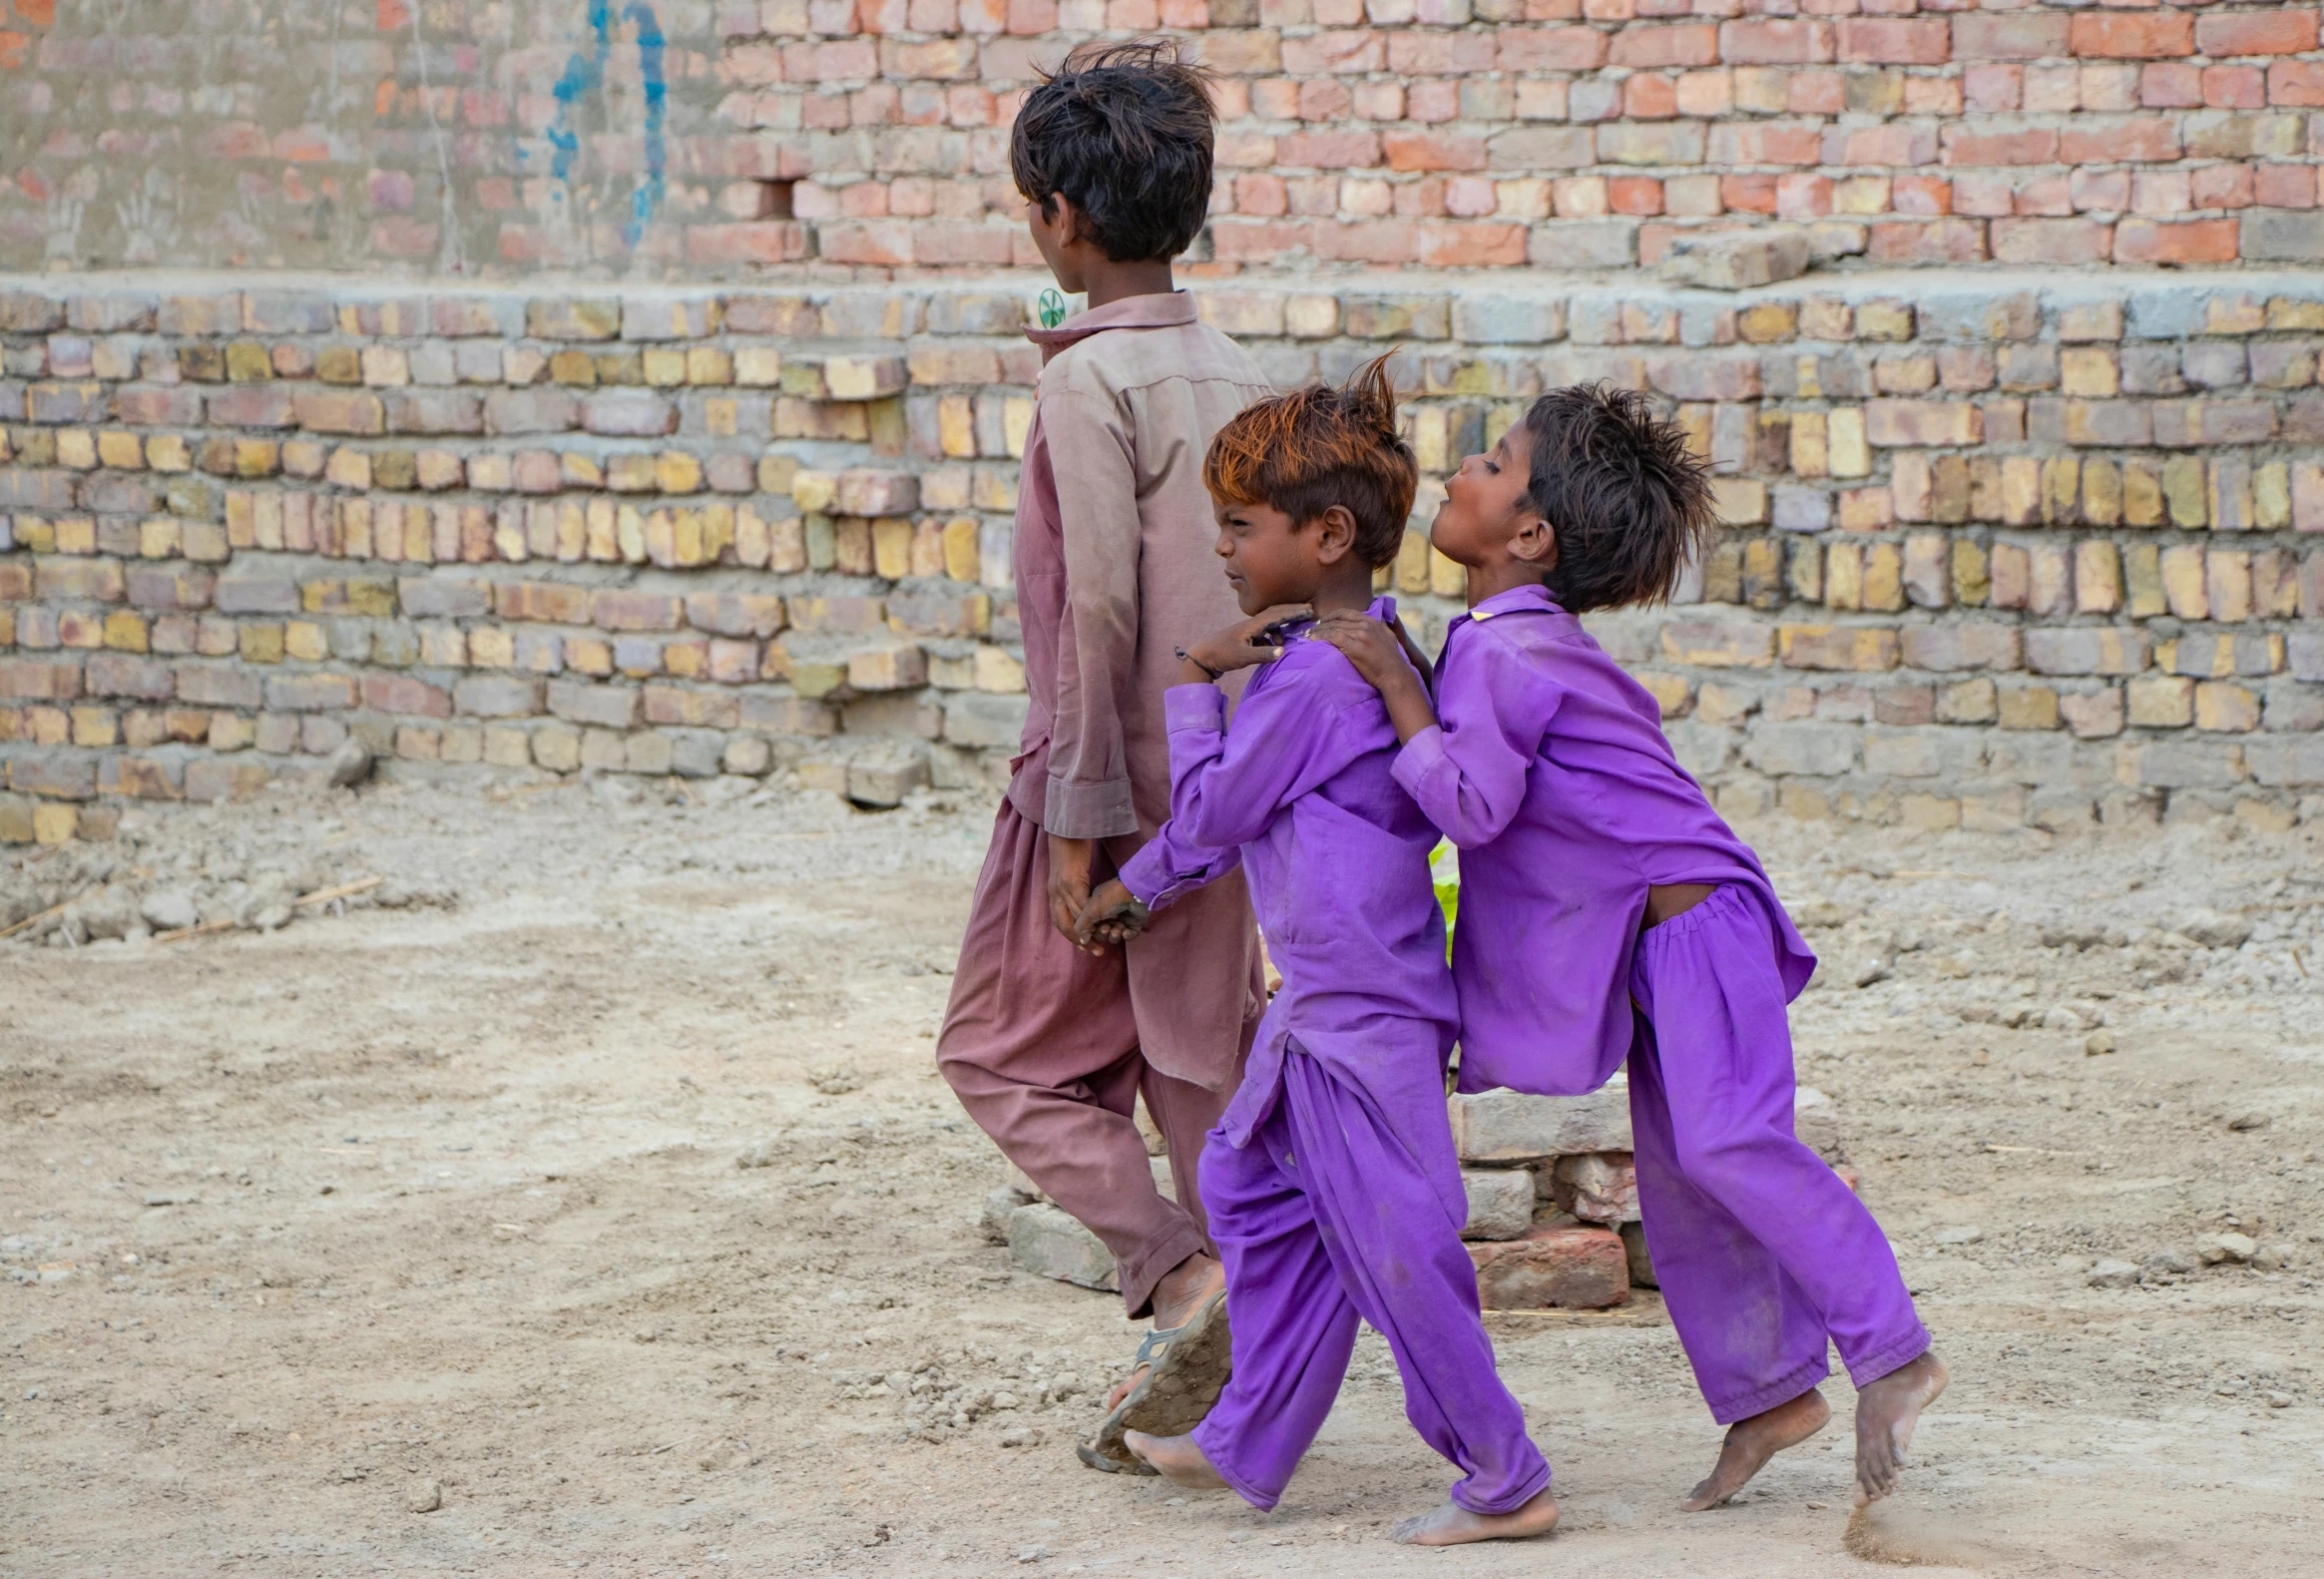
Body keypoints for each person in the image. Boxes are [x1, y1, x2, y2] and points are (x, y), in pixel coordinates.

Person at [1313, 384, 1949, 1514]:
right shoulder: (1495, 638)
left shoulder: (1512, 656)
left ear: (1527, 535)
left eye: (1494, 459)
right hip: (1648, 945)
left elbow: (1470, 806)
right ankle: (1766, 1395)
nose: (1462, 463)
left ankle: (1891, 1348)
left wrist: (1397, 695)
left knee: (1731, 1145)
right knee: (1682, 1171)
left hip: (1700, 930)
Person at [1075, 360, 1560, 1548]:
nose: (1226, 550)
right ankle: (1250, 1434)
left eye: (1239, 526)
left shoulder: (1308, 681)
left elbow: (1210, 818)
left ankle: (1505, 1473)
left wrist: (1194, 678)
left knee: (1399, 1249)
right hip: (1332, 1001)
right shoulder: (1363, 648)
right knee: (1248, 1186)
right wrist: (1133, 888)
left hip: (1363, 1012)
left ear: (1326, 533)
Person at [932, 40, 1274, 1472]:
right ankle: (1256, 1372)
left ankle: (1178, 1275)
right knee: (1197, 1067)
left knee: (995, 1053)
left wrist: (1075, 825)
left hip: (1101, 786)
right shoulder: (1239, 370)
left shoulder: (1087, 389)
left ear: (1060, 219)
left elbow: (1096, 616)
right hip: (1224, 786)